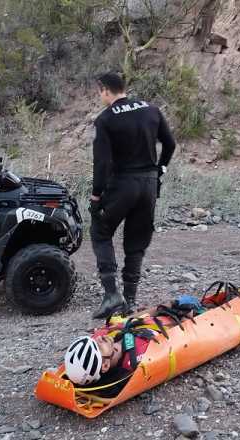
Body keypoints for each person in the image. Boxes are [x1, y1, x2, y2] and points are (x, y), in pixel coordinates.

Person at [89, 72, 177, 319]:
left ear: (105, 90)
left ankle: (111, 295)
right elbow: (170, 144)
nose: (100, 96)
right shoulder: (152, 110)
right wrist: (160, 169)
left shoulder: (105, 119)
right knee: (136, 241)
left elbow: (102, 163)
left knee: (100, 230)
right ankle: (129, 300)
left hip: (122, 184)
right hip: (149, 185)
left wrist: (96, 195)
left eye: (99, 92)